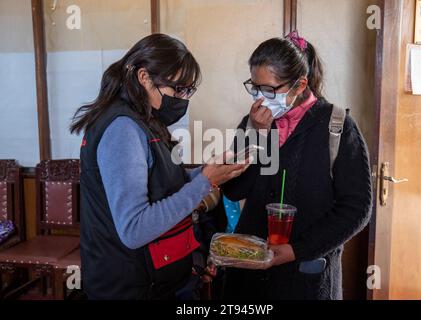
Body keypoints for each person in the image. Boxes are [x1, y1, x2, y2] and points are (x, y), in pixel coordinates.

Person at [70, 34, 249, 300]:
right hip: (130, 285)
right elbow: (134, 229)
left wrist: (206, 172)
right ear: (144, 77)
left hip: (160, 278)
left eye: (188, 91)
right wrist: (204, 182)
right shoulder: (122, 128)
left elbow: (160, 181)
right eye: (178, 90)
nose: (182, 99)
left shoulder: (145, 120)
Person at [222, 31, 372, 300]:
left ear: (300, 85)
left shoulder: (337, 127)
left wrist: (295, 250)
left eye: (268, 89)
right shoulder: (254, 121)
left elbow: (357, 208)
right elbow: (235, 190)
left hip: (308, 278)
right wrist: (259, 136)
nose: (259, 97)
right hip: (249, 276)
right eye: (254, 87)